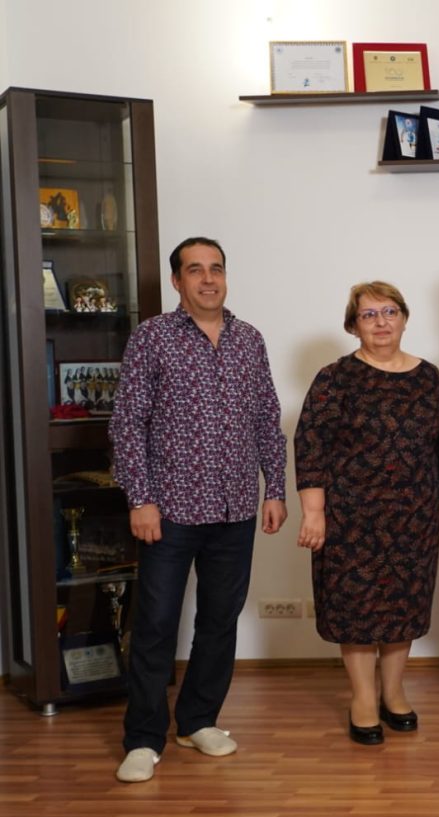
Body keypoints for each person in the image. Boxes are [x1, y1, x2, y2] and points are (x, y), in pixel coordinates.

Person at [110, 236, 288, 783]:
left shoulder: (249, 339)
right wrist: (140, 498)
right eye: (195, 269)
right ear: (177, 281)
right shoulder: (152, 338)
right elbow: (127, 423)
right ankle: (143, 739)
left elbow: (267, 417)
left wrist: (275, 489)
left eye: (216, 269)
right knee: (156, 625)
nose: (208, 279)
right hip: (170, 509)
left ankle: (198, 721)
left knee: (218, 621)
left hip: (235, 508)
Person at [294, 282, 439, 745]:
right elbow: (310, 445)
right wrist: (313, 511)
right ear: (353, 326)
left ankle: (394, 691)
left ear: (404, 318)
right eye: (369, 315)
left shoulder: (429, 379)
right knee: (356, 609)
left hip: (413, 514)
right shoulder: (335, 378)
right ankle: (363, 698)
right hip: (350, 517)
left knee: (403, 606)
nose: (381, 322)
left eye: (389, 312)